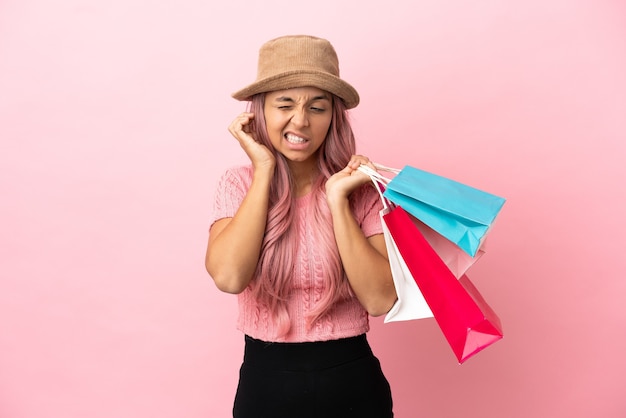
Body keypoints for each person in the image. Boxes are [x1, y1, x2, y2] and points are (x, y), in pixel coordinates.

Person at [205, 35, 397, 418]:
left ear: (334, 116)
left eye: (317, 107)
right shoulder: (238, 183)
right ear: (260, 111)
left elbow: (380, 300)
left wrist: (337, 200)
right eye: (285, 104)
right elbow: (228, 277)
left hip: (354, 386)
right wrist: (263, 170)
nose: (301, 120)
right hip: (266, 384)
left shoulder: (360, 189)